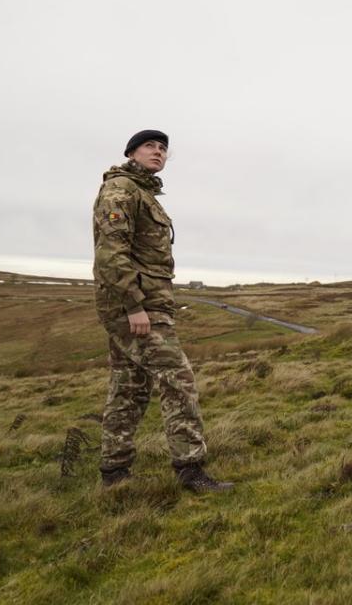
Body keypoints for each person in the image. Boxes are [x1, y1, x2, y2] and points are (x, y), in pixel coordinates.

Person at [92, 129, 232, 492]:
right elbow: (111, 252)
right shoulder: (121, 190)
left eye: (163, 149)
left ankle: (114, 473)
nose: (158, 152)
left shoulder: (143, 193)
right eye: (149, 146)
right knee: (178, 378)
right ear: (131, 153)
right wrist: (134, 306)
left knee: (129, 387)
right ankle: (190, 469)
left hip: (145, 305)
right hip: (136, 309)